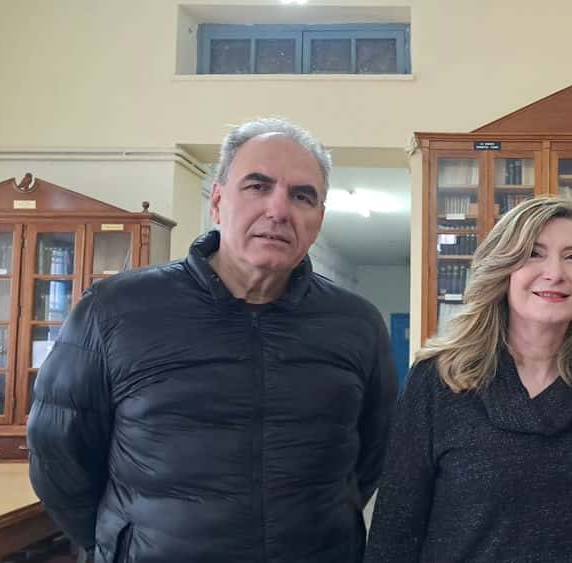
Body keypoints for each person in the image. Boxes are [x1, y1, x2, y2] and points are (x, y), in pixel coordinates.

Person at [27, 118, 397, 563]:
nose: (278, 210)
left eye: (302, 196)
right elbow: (59, 460)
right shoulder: (114, 310)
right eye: (258, 186)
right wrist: (121, 543)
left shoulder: (357, 324)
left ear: (318, 219)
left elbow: (372, 455)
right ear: (218, 202)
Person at [365, 196, 572, 563]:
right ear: (503, 267)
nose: (555, 273)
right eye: (534, 253)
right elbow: (395, 530)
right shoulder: (440, 379)